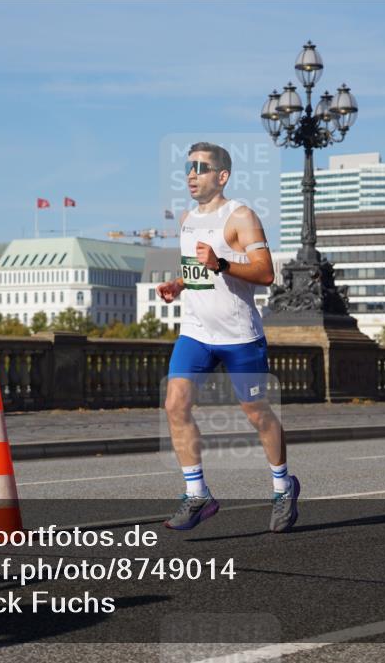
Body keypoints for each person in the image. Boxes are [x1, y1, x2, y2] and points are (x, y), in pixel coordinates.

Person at [156, 142, 297, 533]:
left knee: (258, 415)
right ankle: (198, 493)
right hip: (196, 334)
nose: (191, 174)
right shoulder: (187, 219)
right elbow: (200, 271)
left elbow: (265, 273)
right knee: (175, 404)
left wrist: (220, 262)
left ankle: (283, 487)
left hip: (240, 337)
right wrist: (180, 284)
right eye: (188, 167)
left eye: (200, 168)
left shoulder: (241, 217)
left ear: (222, 176)